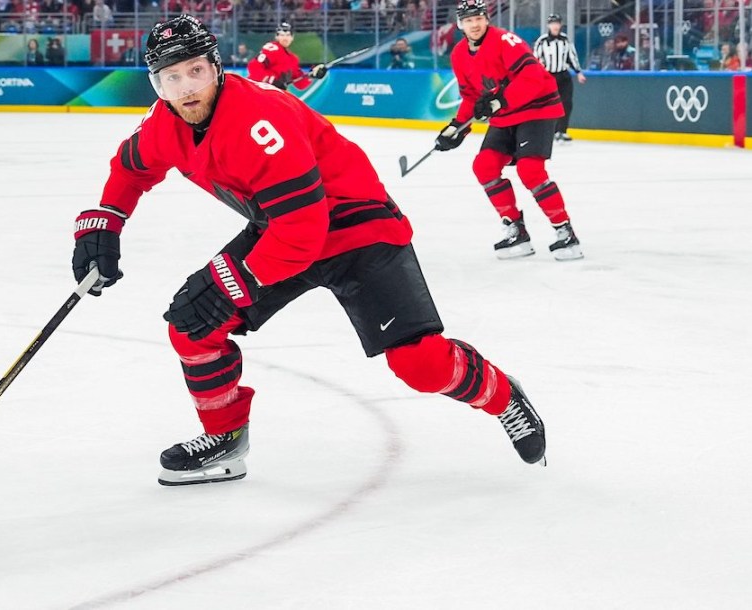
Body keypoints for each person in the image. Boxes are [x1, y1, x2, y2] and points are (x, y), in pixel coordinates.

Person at [70, 15, 547, 486]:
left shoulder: (259, 119)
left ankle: (504, 396)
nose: (186, 88)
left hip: (355, 226)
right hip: (279, 227)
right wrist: (105, 221)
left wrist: (235, 283)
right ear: (157, 85)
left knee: (419, 365)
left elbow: (304, 230)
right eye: (171, 78)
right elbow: (131, 169)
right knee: (192, 326)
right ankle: (225, 437)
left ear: (216, 67)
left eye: (195, 71)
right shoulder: (164, 122)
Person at [434, 0, 582, 261]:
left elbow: (533, 76)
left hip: (537, 108)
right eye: (468, 20)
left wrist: (501, 100)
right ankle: (516, 230)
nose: (474, 24)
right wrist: (457, 127)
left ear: (487, 19)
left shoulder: (505, 41)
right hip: (506, 114)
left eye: (478, 18)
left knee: (530, 169)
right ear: (460, 25)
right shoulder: (459, 54)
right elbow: (471, 97)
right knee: (484, 166)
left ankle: (564, 231)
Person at [533, 14, 586, 142]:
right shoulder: (542, 41)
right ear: (548, 25)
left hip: (563, 75)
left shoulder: (565, 40)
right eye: (552, 23)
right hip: (549, 76)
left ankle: (562, 131)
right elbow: (535, 59)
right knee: (549, 105)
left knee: (566, 103)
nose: (555, 26)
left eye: (557, 23)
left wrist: (578, 72)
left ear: (560, 25)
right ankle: (550, 131)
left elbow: (572, 57)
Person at [246, 22, 327, 90]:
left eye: (288, 35)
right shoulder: (273, 48)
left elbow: (300, 84)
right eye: (282, 35)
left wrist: (311, 75)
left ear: (292, 37)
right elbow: (253, 66)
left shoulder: (293, 59)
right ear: (276, 37)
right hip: (256, 91)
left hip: (273, 96)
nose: (285, 38)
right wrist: (272, 81)